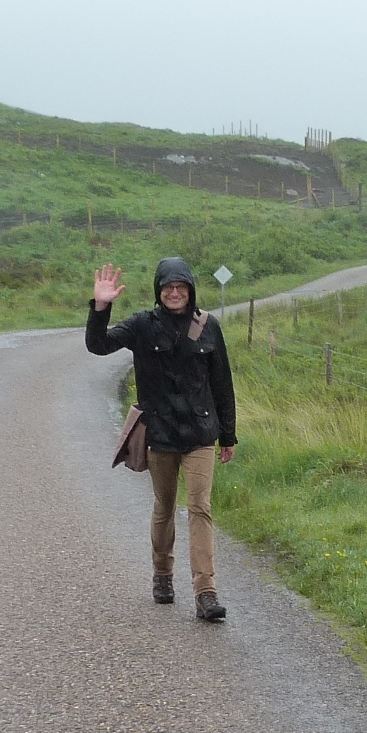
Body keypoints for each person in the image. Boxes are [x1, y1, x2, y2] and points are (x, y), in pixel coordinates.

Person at [86, 257, 237, 621]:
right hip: (161, 433)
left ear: (190, 290)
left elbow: (222, 383)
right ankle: (163, 574)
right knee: (165, 506)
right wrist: (101, 307)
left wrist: (227, 435)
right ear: (158, 290)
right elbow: (99, 345)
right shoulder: (142, 325)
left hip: (200, 433)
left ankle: (205, 592)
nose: (174, 293)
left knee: (200, 507)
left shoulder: (208, 326)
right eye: (167, 287)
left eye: (180, 287)